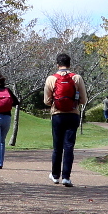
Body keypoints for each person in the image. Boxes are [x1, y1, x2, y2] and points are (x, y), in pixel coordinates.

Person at [44, 53, 87, 187]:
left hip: (57, 115)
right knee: (69, 146)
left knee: (57, 147)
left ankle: (55, 175)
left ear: (57, 64)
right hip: (73, 115)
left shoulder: (51, 78)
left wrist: (55, 102)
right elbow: (84, 99)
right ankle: (66, 177)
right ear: (70, 63)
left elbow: (46, 101)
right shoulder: (77, 78)